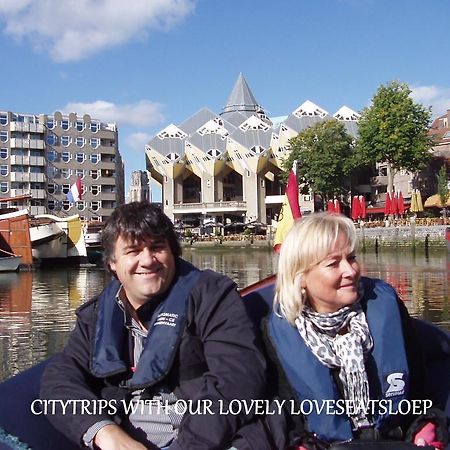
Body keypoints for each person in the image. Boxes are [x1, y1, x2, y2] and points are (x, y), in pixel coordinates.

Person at [40, 201, 269, 450]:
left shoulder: (213, 297)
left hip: (213, 440)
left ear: (173, 253)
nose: (147, 260)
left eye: (157, 248)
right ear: (112, 263)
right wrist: (106, 433)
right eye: (133, 251)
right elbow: (59, 378)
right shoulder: (95, 316)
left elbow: (237, 379)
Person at [263, 213, 448, 450]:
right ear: (300, 278)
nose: (350, 271)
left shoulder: (386, 306)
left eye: (351, 258)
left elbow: (422, 395)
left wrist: (427, 425)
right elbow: (283, 419)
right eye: (333, 263)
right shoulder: (277, 334)